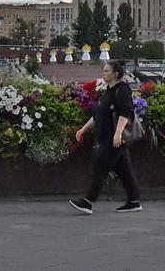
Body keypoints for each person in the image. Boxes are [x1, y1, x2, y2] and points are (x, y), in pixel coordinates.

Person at [69, 59, 142, 213]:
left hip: (113, 138)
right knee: (124, 171)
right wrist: (83, 129)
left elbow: (125, 112)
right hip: (109, 137)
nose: (103, 73)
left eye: (107, 71)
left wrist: (118, 133)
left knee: (100, 167)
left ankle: (88, 201)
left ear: (115, 74)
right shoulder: (108, 92)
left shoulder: (122, 90)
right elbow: (98, 114)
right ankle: (134, 201)